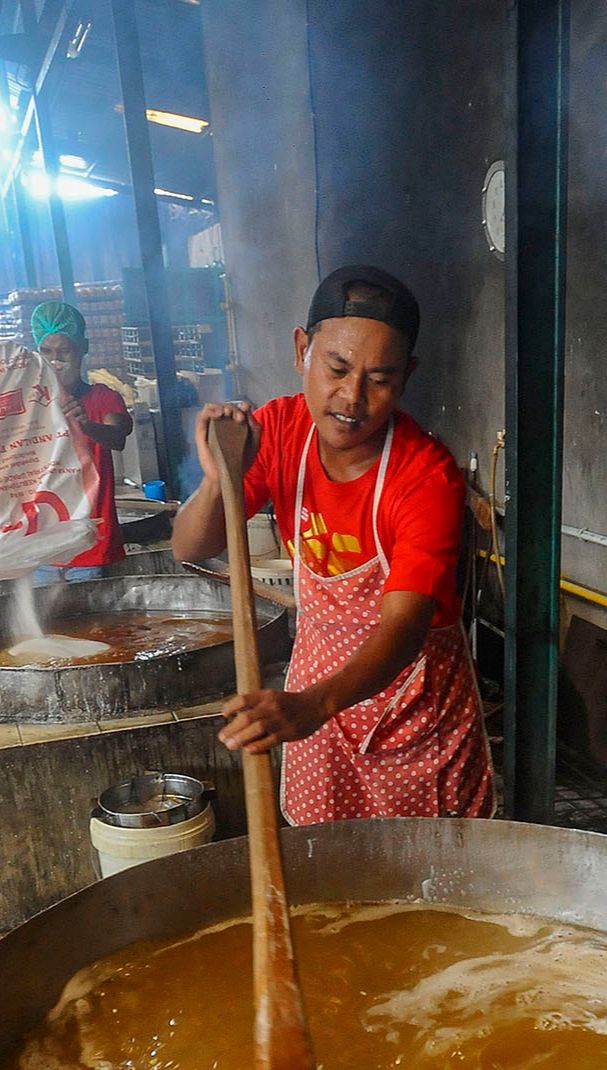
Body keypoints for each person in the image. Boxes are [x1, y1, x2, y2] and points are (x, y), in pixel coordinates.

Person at [172, 265, 493, 824]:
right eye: (337, 368)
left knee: (427, 883)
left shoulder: (425, 474)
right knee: (326, 878)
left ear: (407, 375)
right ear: (302, 349)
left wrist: (315, 703)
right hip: (315, 699)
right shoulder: (276, 430)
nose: (352, 397)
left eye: (380, 379)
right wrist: (215, 478)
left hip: (410, 711)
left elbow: (404, 625)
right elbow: (190, 546)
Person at [30, 300, 133, 582]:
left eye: (65, 351)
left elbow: (118, 437)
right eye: (47, 351)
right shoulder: (30, 405)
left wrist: (86, 425)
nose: (56, 361)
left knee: (94, 623)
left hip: (91, 543)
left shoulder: (102, 398)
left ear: (82, 349)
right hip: (44, 545)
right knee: (48, 625)